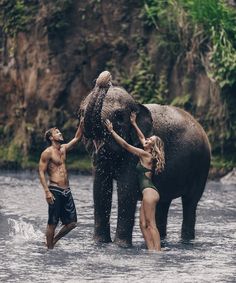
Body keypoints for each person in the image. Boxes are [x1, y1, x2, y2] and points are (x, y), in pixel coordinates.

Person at [105, 112, 165, 251]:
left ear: (153, 146)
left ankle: (158, 251)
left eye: (150, 140)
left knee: (151, 224)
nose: (147, 139)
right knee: (142, 223)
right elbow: (141, 137)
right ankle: (151, 249)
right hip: (148, 193)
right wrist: (134, 123)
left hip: (150, 193)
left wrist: (112, 131)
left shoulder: (146, 155)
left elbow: (126, 145)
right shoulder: (147, 153)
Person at [39, 117, 84, 249]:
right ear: (51, 137)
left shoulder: (63, 149)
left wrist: (81, 125)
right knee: (53, 222)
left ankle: (53, 240)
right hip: (55, 190)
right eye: (57, 132)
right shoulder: (47, 153)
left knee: (72, 223)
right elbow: (41, 172)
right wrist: (47, 191)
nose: (60, 133)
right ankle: (49, 249)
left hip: (67, 190)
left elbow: (76, 139)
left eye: (60, 132)